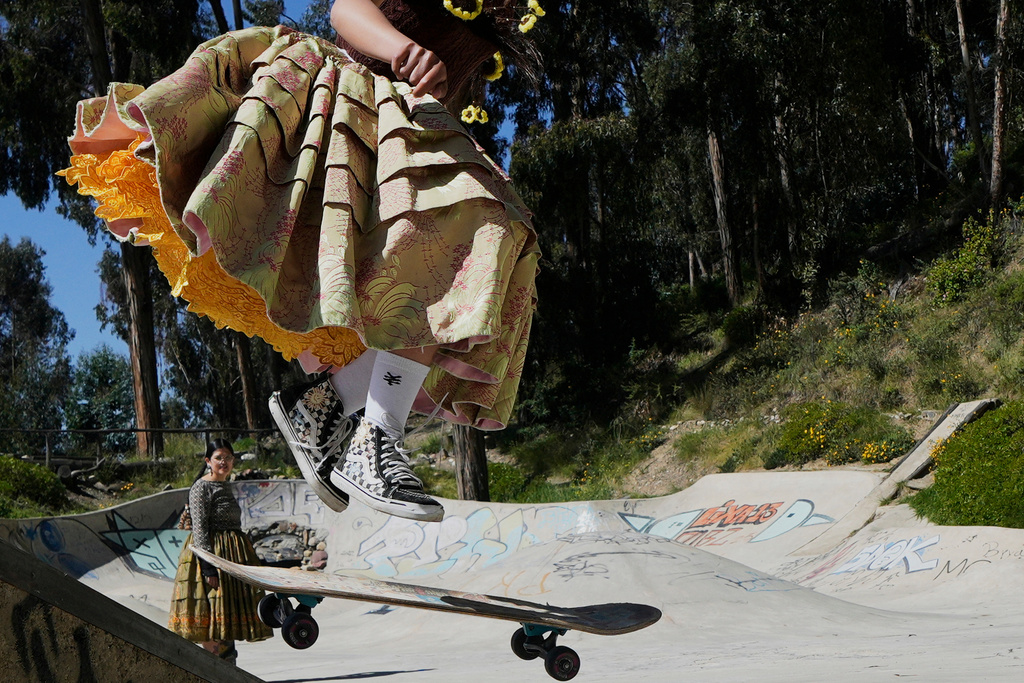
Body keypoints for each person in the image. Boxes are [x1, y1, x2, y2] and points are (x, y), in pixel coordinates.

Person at [60, 0, 544, 523]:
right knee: (478, 226)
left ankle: (332, 413)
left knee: (482, 244)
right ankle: (370, 435)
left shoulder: (514, 14)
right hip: (340, 92)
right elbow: (346, 8)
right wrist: (401, 48)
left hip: (403, 123)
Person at [168, 439, 272, 661]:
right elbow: (200, 528)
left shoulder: (226, 484)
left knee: (226, 614)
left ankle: (228, 667)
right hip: (210, 557)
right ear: (208, 461)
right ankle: (217, 670)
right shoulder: (201, 487)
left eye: (227, 457)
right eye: (218, 457)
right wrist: (208, 568)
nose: (223, 462)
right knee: (214, 615)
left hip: (230, 557)